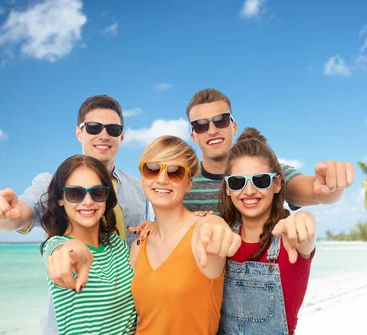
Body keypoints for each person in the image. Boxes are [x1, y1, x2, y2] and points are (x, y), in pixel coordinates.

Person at [0, 94, 153, 334]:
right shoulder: (51, 184)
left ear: (122, 136)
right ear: (79, 133)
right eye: (93, 127)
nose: (104, 135)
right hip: (72, 321)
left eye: (113, 129)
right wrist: (5, 214)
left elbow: (139, 247)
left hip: (129, 320)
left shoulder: (139, 188)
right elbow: (23, 218)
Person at [129, 135, 241, 334]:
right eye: (152, 169)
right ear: (142, 178)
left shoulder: (202, 230)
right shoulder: (140, 243)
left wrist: (218, 226)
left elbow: (213, 227)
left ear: (189, 183)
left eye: (175, 172)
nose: (162, 179)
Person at [184, 88, 354, 215]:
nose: (212, 130)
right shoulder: (181, 181)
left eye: (221, 121)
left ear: (233, 126)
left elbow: (313, 191)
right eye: (201, 125)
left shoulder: (268, 172)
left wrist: (330, 189)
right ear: (193, 136)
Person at [217, 128, 317, 335]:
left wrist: (305, 219)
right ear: (228, 188)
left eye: (260, 180)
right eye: (237, 182)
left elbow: (305, 235)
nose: (249, 191)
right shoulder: (222, 237)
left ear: (277, 183)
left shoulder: (291, 239)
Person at [40, 155, 137, 335]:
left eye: (98, 192)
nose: (88, 201)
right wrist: (73, 251)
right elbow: (62, 252)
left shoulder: (118, 244)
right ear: (60, 198)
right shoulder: (57, 245)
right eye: (75, 193)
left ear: (107, 197)